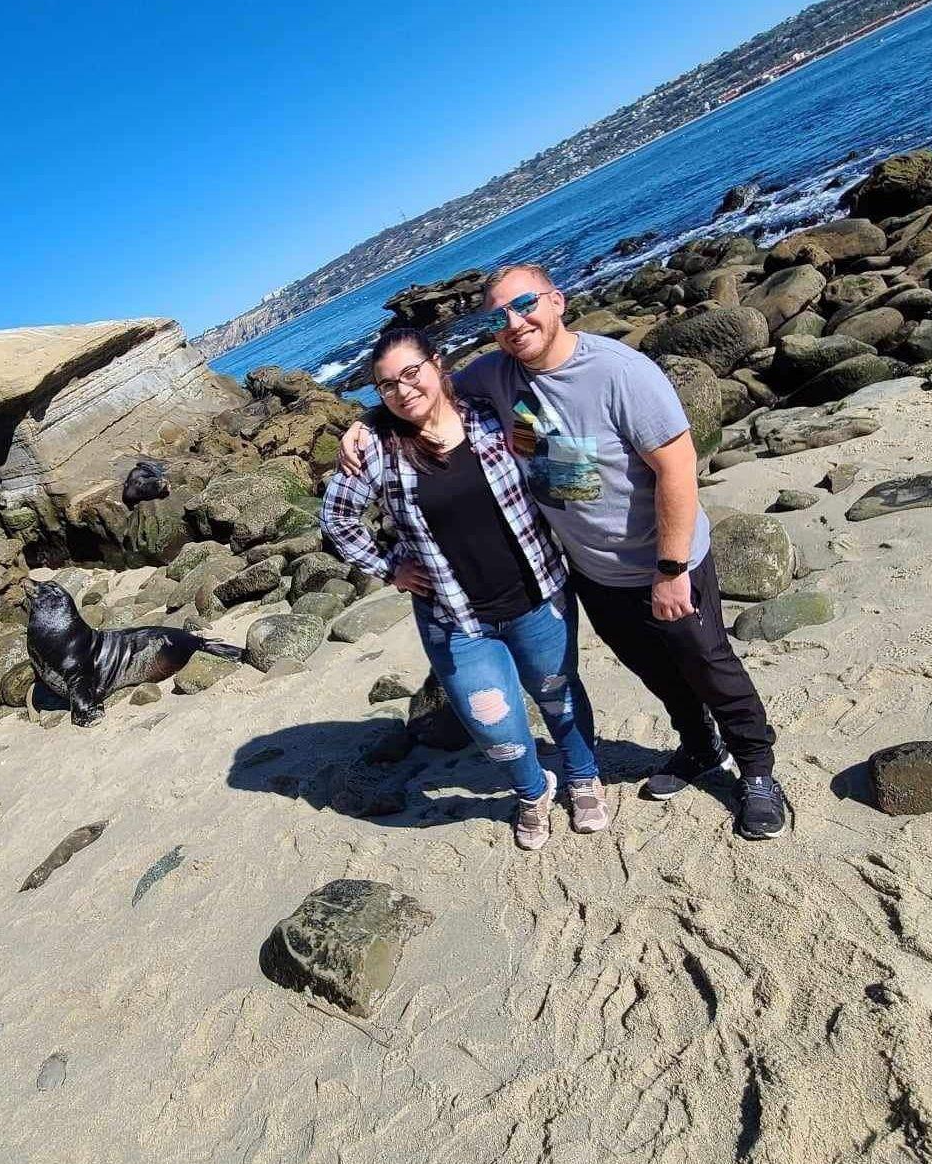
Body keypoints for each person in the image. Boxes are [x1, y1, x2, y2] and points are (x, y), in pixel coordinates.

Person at [340, 264, 789, 840]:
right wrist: (364, 424)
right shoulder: (495, 375)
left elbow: (677, 468)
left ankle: (757, 771)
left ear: (557, 301)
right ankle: (700, 744)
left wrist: (671, 569)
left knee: (708, 664)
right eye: (499, 316)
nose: (514, 322)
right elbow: (420, 392)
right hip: (592, 573)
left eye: (525, 304)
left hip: (664, 560)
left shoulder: (619, 372)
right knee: (652, 668)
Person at [320, 322, 609, 851]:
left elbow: (571, 472)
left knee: (558, 695)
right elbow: (337, 518)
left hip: (538, 594)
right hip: (454, 619)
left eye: (412, 373)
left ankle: (583, 774)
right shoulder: (378, 449)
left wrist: (601, 531)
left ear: (437, 364)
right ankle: (532, 790)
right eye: (387, 385)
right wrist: (389, 567)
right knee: (492, 724)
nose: (404, 390)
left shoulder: (494, 415)